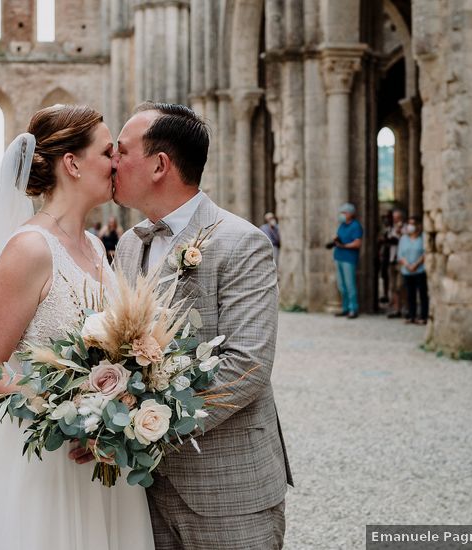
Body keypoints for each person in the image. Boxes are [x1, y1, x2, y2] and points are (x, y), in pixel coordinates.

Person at [0, 105, 153, 549]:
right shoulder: (29, 249)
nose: (116, 162)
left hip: (105, 455)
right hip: (54, 461)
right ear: (72, 163)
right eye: (107, 152)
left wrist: (119, 409)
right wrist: (69, 412)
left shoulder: (98, 248)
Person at [102, 102, 292, 549]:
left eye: (123, 151)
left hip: (228, 485)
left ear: (159, 165)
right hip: (144, 488)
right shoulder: (129, 245)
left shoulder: (241, 242)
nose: (112, 161)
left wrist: (145, 423)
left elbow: (246, 366)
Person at [331, 202, 363, 319]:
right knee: (341, 285)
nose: (342, 215)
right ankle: (345, 308)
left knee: (350, 285)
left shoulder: (355, 226)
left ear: (350, 214)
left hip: (348, 259)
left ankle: (353, 309)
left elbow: (357, 243)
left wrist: (344, 246)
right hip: (339, 257)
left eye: (344, 213)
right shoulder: (342, 225)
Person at [399, 215, 429, 324]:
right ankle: (411, 315)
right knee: (410, 294)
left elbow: (426, 252)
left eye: (412, 224)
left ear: (418, 226)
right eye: (409, 224)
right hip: (407, 271)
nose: (410, 226)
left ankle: (423, 316)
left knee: (422, 294)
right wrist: (408, 265)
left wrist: (416, 264)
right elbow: (400, 254)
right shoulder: (403, 238)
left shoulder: (423, 238)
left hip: (420, 270)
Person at [385, 209, 406, 318]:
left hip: (402, 261)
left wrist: (399, 233)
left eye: (397, 217)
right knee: (393, 287)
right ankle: (396, 309)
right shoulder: (390, 229)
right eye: (394, 217)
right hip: (392, 259)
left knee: (401, 286)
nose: (395, 219)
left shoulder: (406, 228)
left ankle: (405, 308)